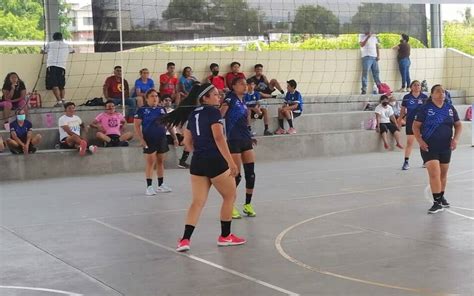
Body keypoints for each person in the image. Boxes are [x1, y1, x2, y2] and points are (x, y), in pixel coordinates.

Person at [160, 83, 246, 252]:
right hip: (216, 161)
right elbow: (219, 137)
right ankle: (225, 236)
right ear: (205, 98)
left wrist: (200, 152)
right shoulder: (213, 112)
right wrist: (230, 162)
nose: (219, 96)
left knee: (197, 202)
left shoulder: (193, 114)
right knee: (230, 197)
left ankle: (184, 240)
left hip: (198, 162)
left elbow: (187, 142)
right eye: (215, 94)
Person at [413, 84, 462, 214]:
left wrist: (455, 139)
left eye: (443, 92)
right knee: (434, 173)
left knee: (443, 174)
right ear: (432, 94)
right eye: (439, 92)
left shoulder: (450, 108)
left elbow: (458, 125)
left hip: (446, 146)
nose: (442, 94)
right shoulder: (425, 108)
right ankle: (436, 203)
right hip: (429, 146)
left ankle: (441, 196)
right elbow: (416, 126)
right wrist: (420, 140)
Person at [221, 77, 257, 219]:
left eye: (246, 83)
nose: (245, 86)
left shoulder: (243, 101)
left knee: (251, 174)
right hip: (233, 140)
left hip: (245, 139)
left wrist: (249, 134)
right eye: (241, 84)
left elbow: (244, 120)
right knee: (236, 175)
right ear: (234, 86)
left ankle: (247, 205)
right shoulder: (230, 99)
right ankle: (230, 206)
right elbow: (219, 116)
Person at [134, 89, 178, 196]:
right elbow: (136, 126)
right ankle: (149, 187)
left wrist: (175, 137)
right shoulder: (142, 110)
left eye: (156, 96)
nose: (155, 98)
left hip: (161, 138)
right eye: (153, 96)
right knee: (150, 162)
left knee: (160, 162)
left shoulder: (161, 109)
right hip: (149, 139)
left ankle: (161, 185)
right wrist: (141, 140)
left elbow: (168, 124)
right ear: (147, 98)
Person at [399, 80, 428, 170]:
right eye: (415, 85)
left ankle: (425, 161)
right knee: (410, 142)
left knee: (423, 142)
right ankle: (406, 161)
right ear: (411, 87)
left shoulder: (424, 97)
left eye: (418, 85)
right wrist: (400, 120)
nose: (417, 87)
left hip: (422, 123)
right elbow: (403, 110)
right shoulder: (407, 97)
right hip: (411, 122)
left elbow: (428, 109)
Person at [43, 32, 75, 106]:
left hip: (52, 65)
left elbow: (42, 51)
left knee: (54, 84)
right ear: (62, 38)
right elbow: (73, 51)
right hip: (62, 66)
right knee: (61, 85)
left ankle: (59, 101)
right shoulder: (67, 45)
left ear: (53, 38)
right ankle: (63, 99)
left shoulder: (50, 44)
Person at [162, 95, 190, 168]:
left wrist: (183, 134)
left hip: (175, 134)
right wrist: (175, 138)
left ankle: (182, 161)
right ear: (161, 102)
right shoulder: (160, 111)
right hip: (165, 134)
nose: (168, 102)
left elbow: (179, 124)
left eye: (169, 100)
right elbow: (168, 126)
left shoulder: (174, 111)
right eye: (166, 100)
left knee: (189, 141)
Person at [359, 25, 381, 95]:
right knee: (365, 73)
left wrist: (378, 55)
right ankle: (364, 89)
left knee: (376, 73)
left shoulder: (374, 36)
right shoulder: (361, 36)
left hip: (374, 57)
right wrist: (368, 37)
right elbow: (362, 45)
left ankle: (380, 88)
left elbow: (377, 46)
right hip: (366, 57)